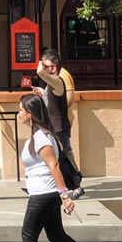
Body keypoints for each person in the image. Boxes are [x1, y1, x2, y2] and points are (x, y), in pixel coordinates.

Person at [6, 93, 105, 242]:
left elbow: (54, 166)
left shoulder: (42, 138)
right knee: (57, 236)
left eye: (21, 110)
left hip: (45, 194)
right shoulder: (38, 135)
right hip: (44, 193)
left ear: (31, 113)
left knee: (28, 234)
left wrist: (65, 196)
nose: (19, 114)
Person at [36, 48, 84, 199]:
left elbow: (39, 72)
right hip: (53, 126)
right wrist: (43, 93)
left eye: (54, 65)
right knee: (58, 158)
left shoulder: (58, 80)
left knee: (64, 158)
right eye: (48, 66)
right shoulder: (51, 83)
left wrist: (41, 66)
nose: (52, 69)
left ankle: (76, 185)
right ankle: (62, 186)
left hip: (59, 126)